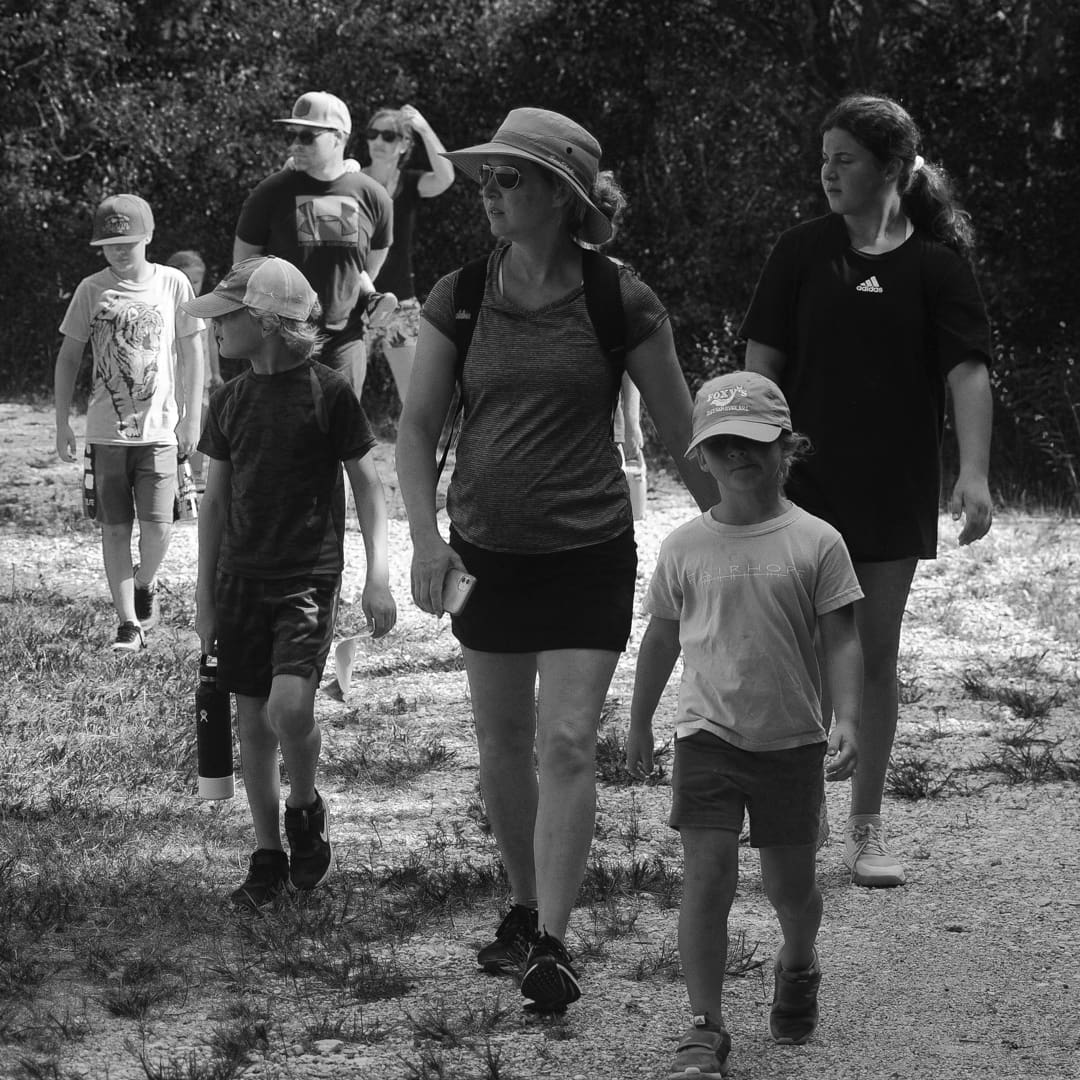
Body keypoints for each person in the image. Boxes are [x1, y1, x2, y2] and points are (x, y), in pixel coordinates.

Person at [396, 107, 717, 1013]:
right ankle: (526, 903)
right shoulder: (462, 294)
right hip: (485, 555)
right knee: (502, 743)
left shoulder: (621, 300)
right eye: (487, 178)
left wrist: (750, 529)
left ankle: (554, 942)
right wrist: (424, 537)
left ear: (562, 195)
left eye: (510, 178)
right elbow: (416, 430)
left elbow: (683, 433)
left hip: (588, 552)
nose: (489, 192)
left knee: (568, 740)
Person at [742, 93, 993, 888]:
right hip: (801, 488)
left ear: (890, 169)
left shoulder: (937, 266)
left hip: (895, 489)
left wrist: (975, 472)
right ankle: (798, 816)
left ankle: (865, 829)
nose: (828, 172)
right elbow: (761, 361)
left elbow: (968, 372)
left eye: (844, 159)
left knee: (873, 655)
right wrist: (751, 458)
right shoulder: (799, 251)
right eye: (824, 158)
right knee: (803, 652)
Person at [626, 371, 863, 1077]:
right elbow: (660, 641)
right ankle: (705, 1024)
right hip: (707, 736)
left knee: (791, 889)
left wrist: (848, 717)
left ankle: (798, 961)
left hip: (792, 740)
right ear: (700, 455)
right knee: (707, 879)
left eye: (755, 442)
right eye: (721, 443)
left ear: (787, 448)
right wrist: (640, 723)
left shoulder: (817, 541)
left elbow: (842, 641)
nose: (738, 455)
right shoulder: (684, 547)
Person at [187, 256, 397, 909]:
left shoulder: (328, 393)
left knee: (289, 709)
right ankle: (267, 854)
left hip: (307, 578)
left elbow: (368, 486)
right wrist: (204, 596)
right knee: (252, 722)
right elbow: (214, 504)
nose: (216, 328)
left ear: (267, 322)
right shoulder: (228, 400)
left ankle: (304, 805)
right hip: (240, 581)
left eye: (227, 317)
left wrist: (379, 576)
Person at [54, 194, 204, 651]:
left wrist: (192, 416)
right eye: (110, 244)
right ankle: (128, 624)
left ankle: (144, 581)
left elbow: (193, 351)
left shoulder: (174, 283)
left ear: (148, 237)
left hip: (160, 431)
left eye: (128, 242)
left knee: (160, 526)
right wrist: (62, 421)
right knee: (115, 527)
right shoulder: (90, 289)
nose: (119, 251)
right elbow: (69, 356)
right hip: (106, 433)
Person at [233, 91, 395, 393]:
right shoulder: (269, 193)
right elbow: (243, 267)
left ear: (339, 138)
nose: (295, 144)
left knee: (339, 424)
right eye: (292, 135)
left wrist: (353, 290)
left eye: (307, 136)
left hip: (344, 342)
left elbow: (371, 260)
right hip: (278, 340)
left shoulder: (374, 197)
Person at [362, 104, 455, 403]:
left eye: (388, 136)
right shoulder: (352, 181)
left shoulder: (411, 183)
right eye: (373, 134)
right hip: (354, 304)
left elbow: (446, 177)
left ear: (404, 144)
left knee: (414, 400)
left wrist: (424, 128)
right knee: (341, 394)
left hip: (400, 304)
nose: (378, 141)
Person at [166, 250, 222, 485]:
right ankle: (172, 477)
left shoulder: (205, 310)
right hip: (172, 382)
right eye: (186, 279)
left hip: (201, 383)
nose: (190, 286)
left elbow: (212, 343)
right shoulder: (165, 308)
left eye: (196, 281)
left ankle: (195, 477)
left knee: (198, 425)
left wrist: (216, 373)